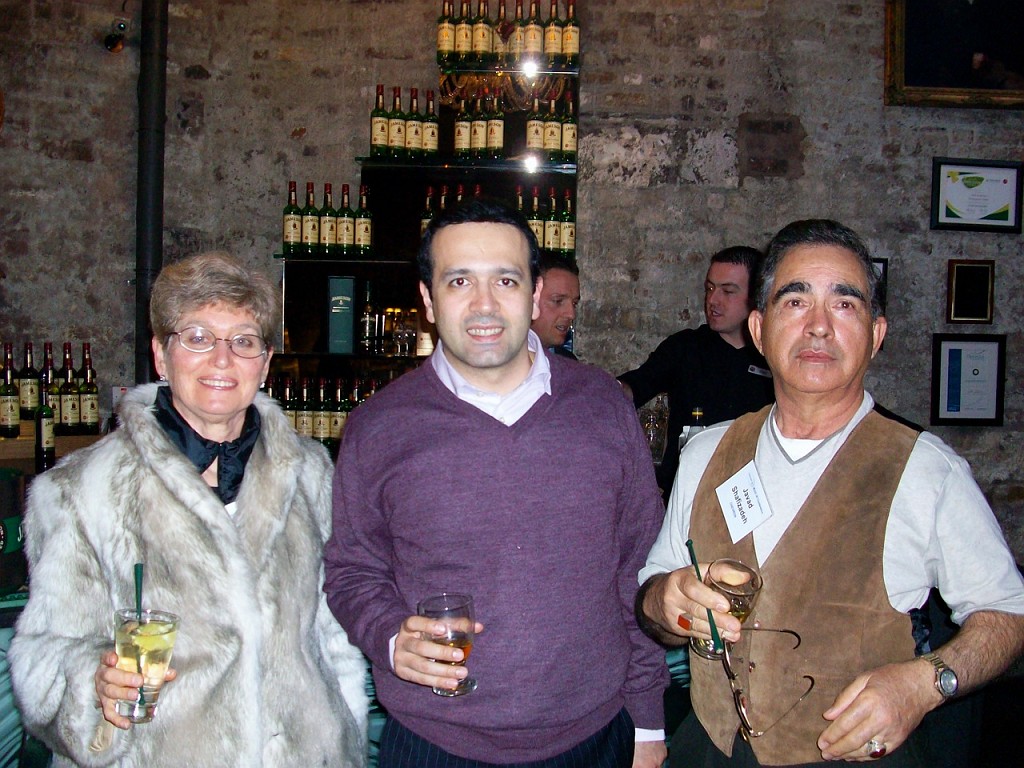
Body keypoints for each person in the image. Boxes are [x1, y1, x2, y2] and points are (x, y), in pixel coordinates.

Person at [636, 219, 1024, 767]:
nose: (818, 326)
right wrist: (664, 601)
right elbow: (654, 592)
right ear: (759, 328)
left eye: (844, 305)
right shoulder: (705, 453)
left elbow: (1008, 613)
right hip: (710, 749)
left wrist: (924, 683)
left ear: (876, 334)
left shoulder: (927, 470)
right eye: (795, 302)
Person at [324, 199, 668, 768]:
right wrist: (389, 637)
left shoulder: (604, 407)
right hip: (434, 743)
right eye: (459, 281)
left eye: (505, 280)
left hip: (593, 736)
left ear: (534, 295)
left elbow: (639, 568)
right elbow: (352, 570)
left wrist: (649, 721)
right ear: (428, 300)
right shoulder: (378, 426)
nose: (484, 304)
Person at [9, 252, 368, 767]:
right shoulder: (80, 490)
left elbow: (334, 640)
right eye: (198, 337)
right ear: (161, 354)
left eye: (243, 341)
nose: (222, 360)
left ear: (266, 362)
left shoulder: (311, 473)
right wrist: (95, 683)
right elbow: (42, 659)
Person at [618, 246, 774, 495]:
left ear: (756, 296)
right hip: (687, 495)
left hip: (754, 496)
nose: (713, 300)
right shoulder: (686, 347)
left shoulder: (774, 357)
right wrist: (602, 388)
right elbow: (636, 386)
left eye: (727, 291)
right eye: (710, 288)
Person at [531, 252, 581, 359]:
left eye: (574, 303)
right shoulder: (499, 362)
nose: (571, 314)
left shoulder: (568, 363)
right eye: (558, 301)